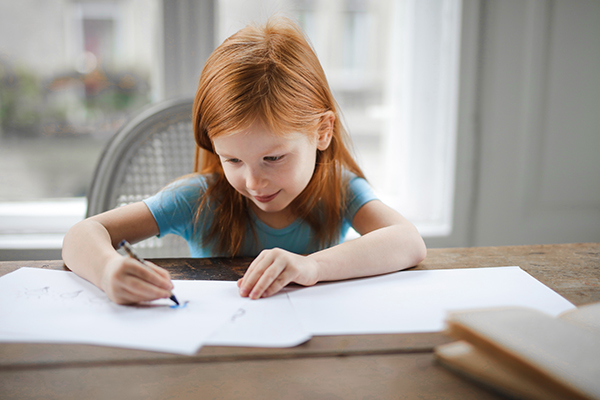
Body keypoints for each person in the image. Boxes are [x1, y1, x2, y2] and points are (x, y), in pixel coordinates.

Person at [62, 16, 426, 305]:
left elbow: (408, 241)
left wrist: (312, 266)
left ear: (322, 132)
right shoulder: (198, 199)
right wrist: (108, 270)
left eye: (272, 157)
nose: (253, 182)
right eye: (232, 160)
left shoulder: (339, 187)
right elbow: (82, 235)